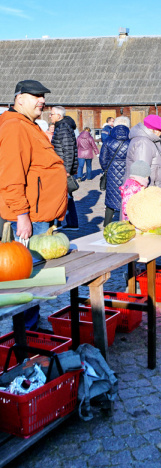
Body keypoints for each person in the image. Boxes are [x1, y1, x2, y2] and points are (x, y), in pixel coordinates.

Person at [0, 79, 67, 329]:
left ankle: (31, 324)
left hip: (38, 212)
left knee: (34, 272)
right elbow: (11, 176)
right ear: (19, 99)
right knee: (26, 273)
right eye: (36, 96)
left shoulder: (27, 124)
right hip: (29, 215)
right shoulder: (15, 127)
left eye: (43, 96)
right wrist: (22, 215)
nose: (42, 100)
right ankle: (25, 331)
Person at [126, 115, 161, 196]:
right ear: (155, 131)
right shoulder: (143, 143)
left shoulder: (150, 141)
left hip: (154, 192)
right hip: (148, 194)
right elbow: (141, 175)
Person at [50, 106, 79, 230]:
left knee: (65, 196)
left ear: (59, 116)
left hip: (62, 168)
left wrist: (66, 170)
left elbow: (68, 150)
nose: (50, 116)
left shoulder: (63, 128)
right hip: (61, 167)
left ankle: (66, 222)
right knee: (66, 195)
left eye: (52, 114)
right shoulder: (62, 127)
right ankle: (68, 222)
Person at [100, 116, 131, 227]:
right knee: (128, 199)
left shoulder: (108, 140)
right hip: (128, 173)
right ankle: (127, 225)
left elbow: (103, 159)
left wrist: (107, 169)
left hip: (112, 173)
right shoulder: (131, 140)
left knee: (111, 200)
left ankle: (107, 224)